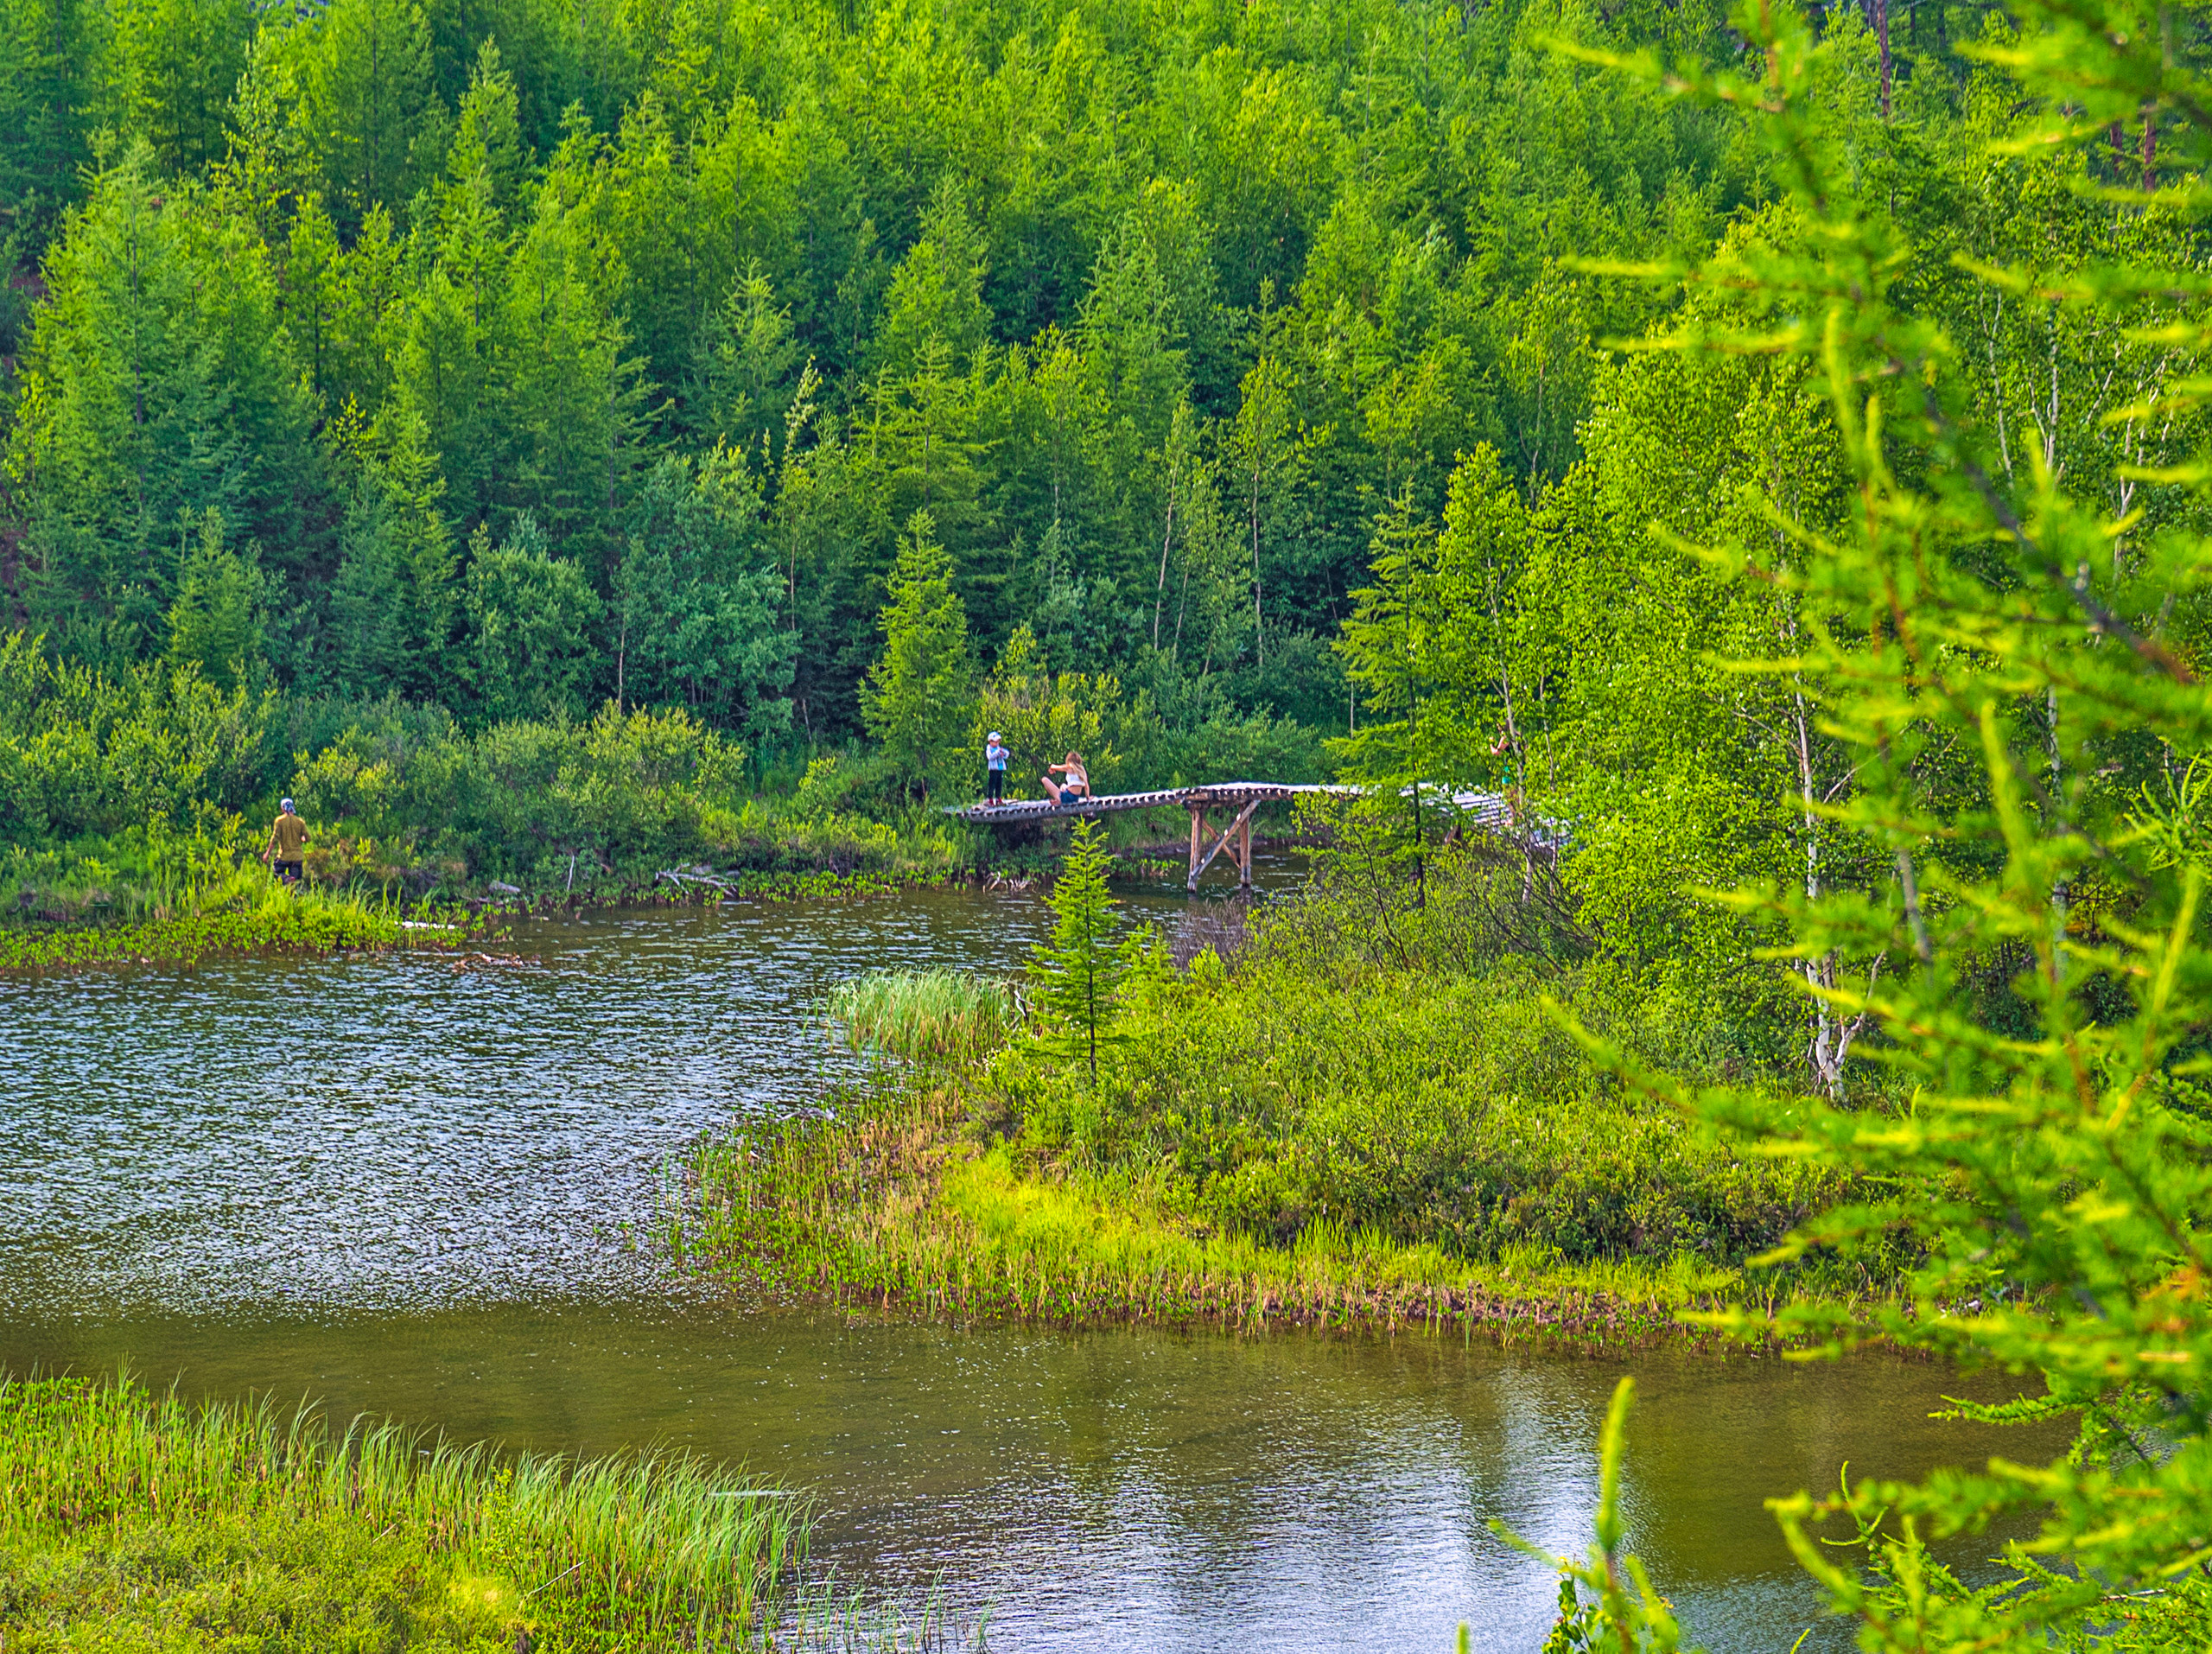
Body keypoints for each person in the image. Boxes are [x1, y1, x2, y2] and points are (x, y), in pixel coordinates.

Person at [264, 798, 308, 885]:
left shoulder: (279, 821)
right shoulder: (300, 822)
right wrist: (303, 838)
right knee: (296, 882)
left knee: (276, 871)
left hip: (284, 856)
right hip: (297, 858)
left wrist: (267, 854)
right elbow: (308, 838)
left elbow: (275, 839)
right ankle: (293, 885)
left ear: (282, 808)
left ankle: (286, 878)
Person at [984, 730, 1009, 804]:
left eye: (998, 741)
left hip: (1000, 768)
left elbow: (1007, 754)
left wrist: (1003, 753)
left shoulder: (999, 748)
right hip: (993, 769)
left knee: (999, 783)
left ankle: (998, 798)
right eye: (995, 742)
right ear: (990, 741)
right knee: (992, 783)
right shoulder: (989, 748)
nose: (997, 743)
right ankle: (990, 799)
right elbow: (990, 757)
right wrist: (997, 753)